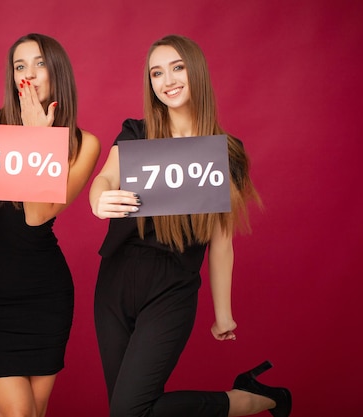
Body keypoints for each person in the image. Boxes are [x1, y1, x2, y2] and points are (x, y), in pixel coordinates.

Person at [89, 35, 291, 417]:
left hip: (173, 286)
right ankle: (248, 393)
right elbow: (104, 180)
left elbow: (222, 242)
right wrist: (98, 201)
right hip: (115, 280)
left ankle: (249, 400)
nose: (168, 80)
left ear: (196, 70)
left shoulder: (226, 152)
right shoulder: (136, 132)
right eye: (157, 73)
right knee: (127, 412)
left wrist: (223, 312)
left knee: (129, 412)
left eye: (177, 67)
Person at [0, 33, 100, 417]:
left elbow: (37, 214)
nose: (29, 74)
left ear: (57, 71)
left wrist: (35, 137)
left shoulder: (83, 143)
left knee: (35, 412)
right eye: (19, 66)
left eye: (40, 63)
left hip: (44, 292)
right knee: (19, 412)